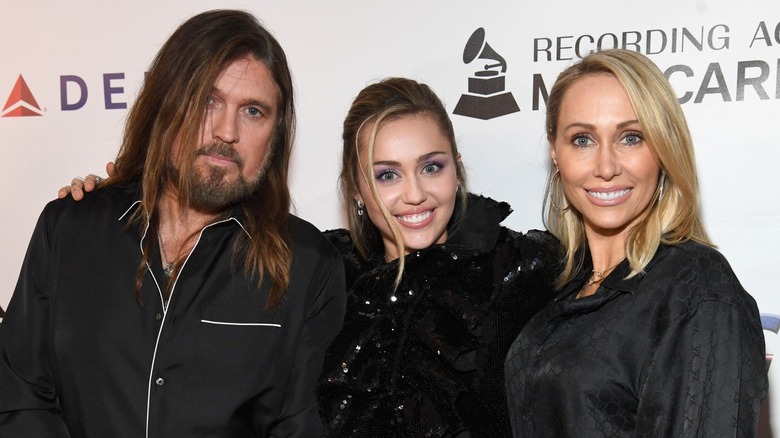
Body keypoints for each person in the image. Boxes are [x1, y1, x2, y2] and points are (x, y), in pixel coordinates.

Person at [60, 77, 560, 437]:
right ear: (358, 189)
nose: (415, 194)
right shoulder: (319, 271)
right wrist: (115, 199)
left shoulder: (517, 268)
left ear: (456, 168)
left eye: (431, 167)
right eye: (387, 174)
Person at [0, 9, 345, 437]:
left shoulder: (308, 265)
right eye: (207, 101)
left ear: (275, 134)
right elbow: (21, 400)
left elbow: (301, 427)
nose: (226, 131)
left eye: (253, 111)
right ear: (166, 102)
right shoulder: (69, 229)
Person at [504, 49, 767, 437]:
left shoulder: (696, 287)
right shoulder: (559, 284)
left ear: (662, 149)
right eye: (582, 139)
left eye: (631, 137)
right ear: (555, 152)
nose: (606, 167)